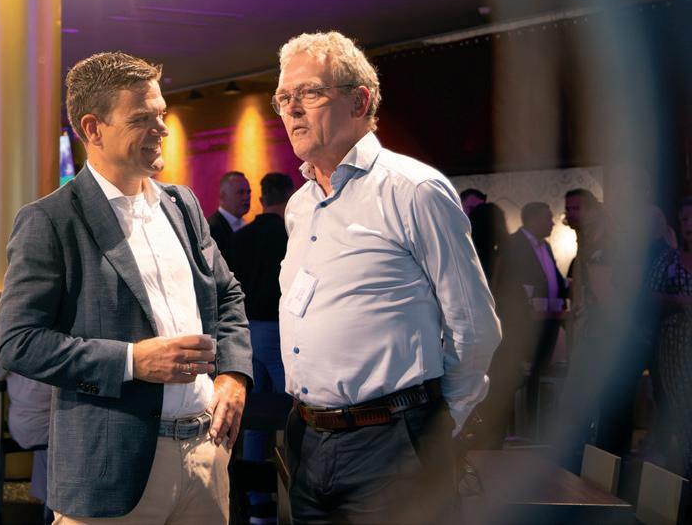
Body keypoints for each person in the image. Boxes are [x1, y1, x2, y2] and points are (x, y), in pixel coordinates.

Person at [0, 51, 252, 524]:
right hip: (110, 468)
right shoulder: (51, 220)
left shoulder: (182, 205)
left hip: (206, 456)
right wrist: (133, 361)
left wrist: (233, 376)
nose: (162, 129)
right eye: (141, 119)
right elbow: (19, 343)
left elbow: (228, 296)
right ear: (93, 129)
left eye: (161, 114)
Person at [272, 31, 500, 523]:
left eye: (309, 93)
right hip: (307, 439)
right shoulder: (299, 205)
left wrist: (439, 425)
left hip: (395, 441)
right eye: (284, 98)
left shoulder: (413, 189)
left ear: (360, 101)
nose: (292, 110)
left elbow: (474, 325)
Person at [227, 171, 293, 524]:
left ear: (263, 197)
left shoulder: (241, 236)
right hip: (280, 330)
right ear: (288, 196)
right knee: (290, 415)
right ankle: (292, 493)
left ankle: (258, 503)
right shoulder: (290, 234)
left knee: (253, 416)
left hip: (247, 329)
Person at [480, 202, 567, 446]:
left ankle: (534, 433)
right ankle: (517, 432)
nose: (553, 222)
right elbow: (510, 288)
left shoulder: (545, 246)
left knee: (538, 375)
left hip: (548, 322)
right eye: (548, 217)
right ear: (533, 218)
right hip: (522, 327)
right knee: (518, 378)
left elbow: (552, 281)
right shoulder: (513, 245)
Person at [0, 330, 53, 507]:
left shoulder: (16, 332)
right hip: (68, 425)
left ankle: (49, 506)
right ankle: (51, 506)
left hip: (33, 426)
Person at [646, 197, 692, 478]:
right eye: (685, 219)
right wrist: (679, 301)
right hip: (676, 350)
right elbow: (648, 296)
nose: (689, 225)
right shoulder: (669, 260)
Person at [207, 171, 250, 262]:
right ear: (223, 196)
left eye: (248, 192)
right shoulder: (211, 229)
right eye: (241, 192)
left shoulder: (245, 225)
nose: (247, 197)